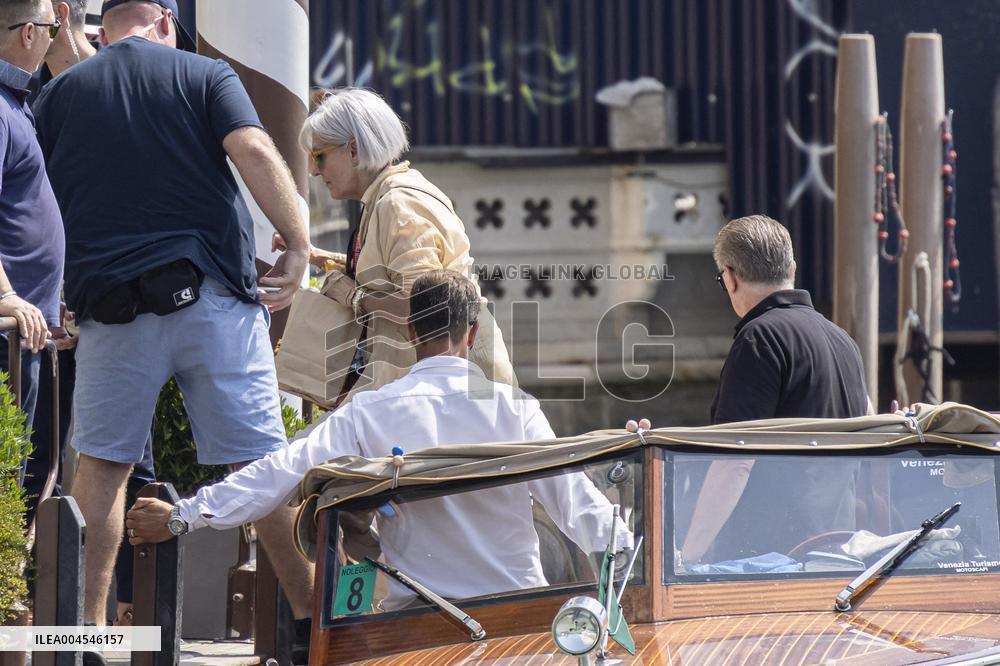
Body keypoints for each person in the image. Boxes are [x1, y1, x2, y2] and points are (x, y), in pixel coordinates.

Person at [31, 0, 313, 638]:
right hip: (211, 299)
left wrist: (57, 292)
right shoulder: (203, 75)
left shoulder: (60, 96)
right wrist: (297, 242)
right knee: (260, 465)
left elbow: (42, 199)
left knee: (102, 469)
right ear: (163, 19)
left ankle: (88, 636)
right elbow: (254, 149)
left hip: (111, 312)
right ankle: (312, 625)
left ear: (107, 26)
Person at [126, 270, 632, 614]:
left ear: (410, 330)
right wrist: (637, 557)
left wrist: (182, 515)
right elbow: (576, 505)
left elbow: (280, 471)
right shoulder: (515, 407)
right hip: (514, 616)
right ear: (472, 332)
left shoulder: (371, 410)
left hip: (416, 620)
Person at [277, 87, 514, 400]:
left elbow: (426, 305)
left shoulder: (397, 204)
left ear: (353, 150)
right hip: (436, 384)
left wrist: (354, 297)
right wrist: (319, 256)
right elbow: (392, 270)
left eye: (319, 155)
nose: (314, 170)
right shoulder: (391, 194)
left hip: (450, 392)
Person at [679, 214, 869, 565]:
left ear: (731, 277)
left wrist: (688, 556)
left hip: (769, 560)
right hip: (840, 554)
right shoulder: (844, 342)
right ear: (791, 267)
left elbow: (734, 461)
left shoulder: (759, 339)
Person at [0, 0, 63, 452]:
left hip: (25, 326)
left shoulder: (13, 102)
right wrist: (6, 296)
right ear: (28, 32)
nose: (53, 37)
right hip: (8, 327)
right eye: (52, 27)